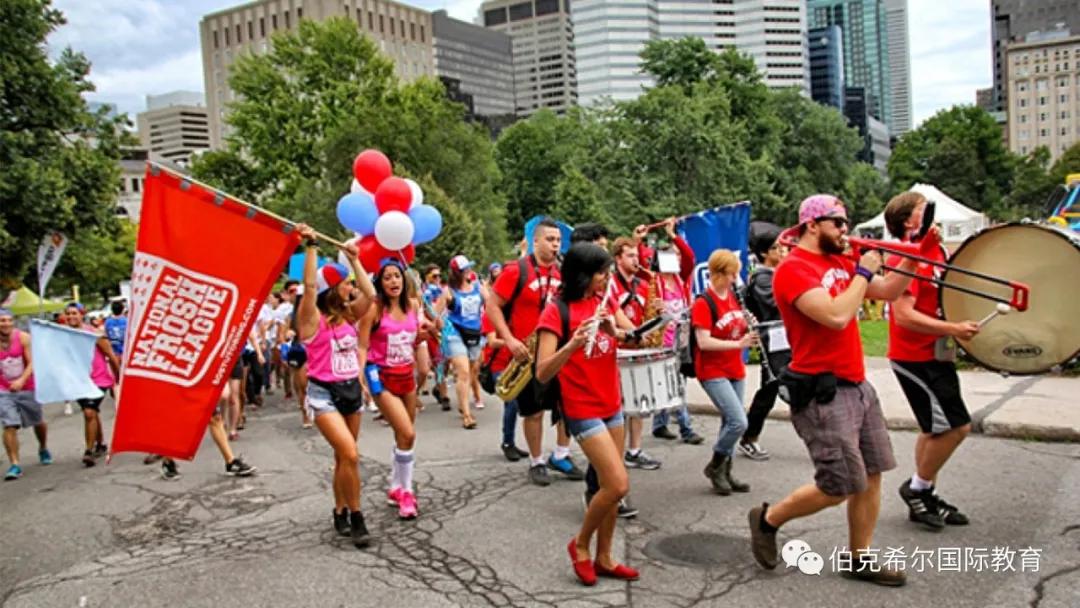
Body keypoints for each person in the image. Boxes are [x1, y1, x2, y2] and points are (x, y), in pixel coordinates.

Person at [748, 194, 926, 587]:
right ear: (813, 225)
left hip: (857, 384)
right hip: (822, 391)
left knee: (873, 473)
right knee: (839, 485)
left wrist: (913, 257)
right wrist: (862, 273)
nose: (846, 231)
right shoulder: (793, 270)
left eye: (846, 224)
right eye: (838, 223)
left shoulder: (842, 260)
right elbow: (835, 315)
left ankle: (858, 557)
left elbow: (889, 291)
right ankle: (768, 519)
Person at [535, 243, 640, 587]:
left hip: (612, 403)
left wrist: (617, 333)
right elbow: (542, 372)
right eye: (601, 274)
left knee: (612, 488)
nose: (607, 280)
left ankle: (605, 557)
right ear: (583, 274)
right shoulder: (556, 311)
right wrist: (571, 345)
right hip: (582, 408)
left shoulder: (603, 301)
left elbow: (629, 339)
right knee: (617, 483)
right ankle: (580, 544)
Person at [883, 192, 979, 530]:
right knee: (957, 426)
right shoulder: (904, 257)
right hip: (914, 356)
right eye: (926, 211)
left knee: (932, 429)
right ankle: (918, 488)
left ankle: (925, 494)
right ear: (910, 221)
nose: (933, 216)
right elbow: (905, 316)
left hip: (935, 351)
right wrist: (953, 327)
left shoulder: (936, 251)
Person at [487, 218, 584, 485]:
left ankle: (562, 454)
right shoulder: (516, 271)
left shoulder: (562, 273)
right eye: (550, 240)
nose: (555, 245)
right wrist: (508, 339)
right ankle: (536, 460)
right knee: (533, 412)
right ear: (536, 241)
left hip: (558, 350)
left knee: (566, 406)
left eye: (558, 241)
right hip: (526, 353)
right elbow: (493, 306)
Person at [296, 226, 376, 547]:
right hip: (323, 393)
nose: (350, 288)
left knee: (344, 459)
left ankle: (340, 509)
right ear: (333, 288)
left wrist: (355, 261)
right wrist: (312, 244)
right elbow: (310, 286)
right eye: (345, 284)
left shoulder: (348, 316)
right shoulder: (310, 319)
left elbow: (370, 296)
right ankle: (357, 517)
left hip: (350, 392)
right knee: (351, 454)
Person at [358, 258, 429, 519]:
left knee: (404, 436)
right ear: (380, 282)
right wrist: (359, 375)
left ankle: (395, 486)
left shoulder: (412, 305)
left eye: (397, 276)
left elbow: (412, 338)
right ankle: (407, 493)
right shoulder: (374, 310)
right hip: (381, 376)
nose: (393, 281)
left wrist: (425, 335)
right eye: (387, 277)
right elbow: (363, 345)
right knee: (407, 433)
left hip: (405, 375)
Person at [693, 250, 754, 496]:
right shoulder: (703, 302)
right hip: (712, 369)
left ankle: (725, 472)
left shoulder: (733, 296)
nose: (734, 279)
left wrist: (747, 327)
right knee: (739, 421)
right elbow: (704, 342)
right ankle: (716, 464)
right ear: (718, 273)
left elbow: (735, 326)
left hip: (734, 367)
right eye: (731, 274)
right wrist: (738, 345)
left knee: (729, 421)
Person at [648, 218, 704, 445]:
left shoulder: (682, 280)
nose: (678, 260)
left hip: (680, 339)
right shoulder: (654, 282)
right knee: (674, 384)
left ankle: (660, 424)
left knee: (673, 381)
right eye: (672, 256)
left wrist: (673, 235)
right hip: (662, 340)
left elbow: (690, 256)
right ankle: (686, 427)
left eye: (677, 256)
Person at [609, 233, 662, 471]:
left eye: (637, 255)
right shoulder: (610, 284)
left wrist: (658, 313)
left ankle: (635, 449)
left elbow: (648, 314)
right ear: (618, 258)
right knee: (619, 406)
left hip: (638, 348)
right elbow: (612, 316)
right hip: (618, 349)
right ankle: (615, 454)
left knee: (640, 402)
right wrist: (637, 333)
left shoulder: (642, 284)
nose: (636, 260)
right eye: (630, 255)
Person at [738, 223, 790, 461]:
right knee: (771, 389)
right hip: (774, 340)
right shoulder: (761, 279)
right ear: (764, 254)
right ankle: (749, 437)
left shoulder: (775, 275)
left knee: (781, 388)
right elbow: (777, 306)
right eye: (777, 248)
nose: (782, 252)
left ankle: (749, 436)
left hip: (785, 339)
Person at [61, 303, 120, 467]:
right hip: (79, 382)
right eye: (68, 314)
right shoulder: (64, 336)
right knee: (92, 413)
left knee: (89, 412)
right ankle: (100, 444)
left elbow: (110, 355)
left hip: (99, 380)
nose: (71, 316)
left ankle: (89, 450)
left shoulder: (94, 334)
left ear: (82, 315)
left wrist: (117, 380)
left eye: (75, 313)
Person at [436, 255, 488, 429]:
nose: (469, 271)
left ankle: (462, 401)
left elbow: (493, 304)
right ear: (457, 273)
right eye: (465, 269)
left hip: (475, 333)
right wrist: (438, 322)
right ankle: (467, 414)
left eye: (469, 268)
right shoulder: (449, 291)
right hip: (455, 333)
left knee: (473, 370)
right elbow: (436, 312)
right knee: (463, 372)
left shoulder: (478, 287)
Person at [1, 308, 51, 480]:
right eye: (2, 321)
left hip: (27, 386)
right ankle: (14, 464)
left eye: (8, 320)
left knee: (37, 420)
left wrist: (22, 380)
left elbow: (32, 362)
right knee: (9, 425)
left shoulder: (23, 337)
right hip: (4, 390)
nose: (6, 324)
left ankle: (43, 447)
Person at [418, 264, 451, 411]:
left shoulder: (442, 290)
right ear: (427, 277)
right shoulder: (423, 292)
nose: (437, 278)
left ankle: (438, 387)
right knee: (439, 361)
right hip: (431, 331)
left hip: (447, 329)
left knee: (447, 363)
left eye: (439, 276)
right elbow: (425, 310)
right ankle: (445, 396)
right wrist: (434, 324)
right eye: (434, 276)